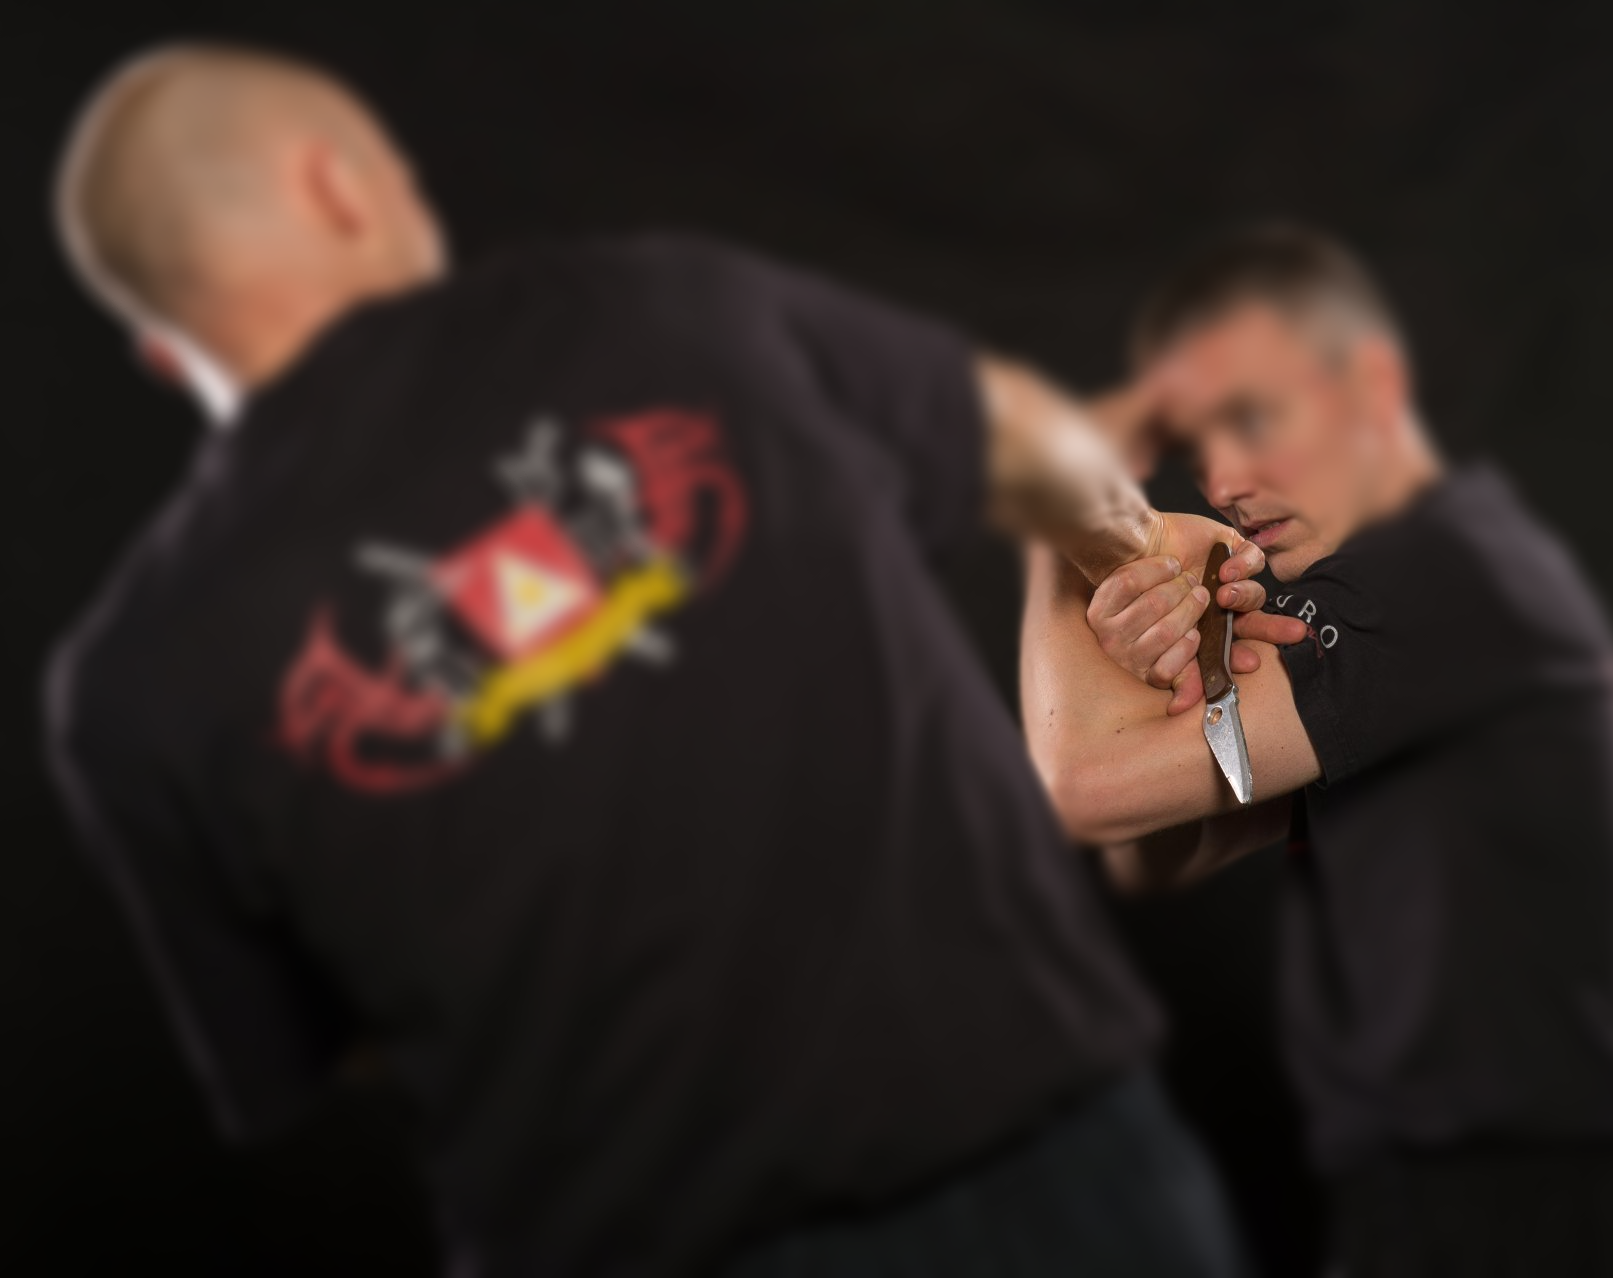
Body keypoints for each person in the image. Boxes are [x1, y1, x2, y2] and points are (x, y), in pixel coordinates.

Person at [42, 43, 1278, 1277]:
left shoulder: (135, 684)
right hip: (1042, 1175)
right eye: (404, 181)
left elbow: (340, 1038)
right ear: (338, 186)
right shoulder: (670, 307)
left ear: (165, 351)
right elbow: (1024, 437)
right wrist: (1134, 558)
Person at [1022, 223, 1613, 1276]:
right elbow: (1156, 856)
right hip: (1446, 1203)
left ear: (1375, 388)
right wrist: (1179, 656)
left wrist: (1055, 525)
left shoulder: (1436, 580)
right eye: (1197, 444)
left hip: (1528, 1217)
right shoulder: (1404, 603)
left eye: (1253, 418)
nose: (1223, 479)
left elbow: (1080, 792)